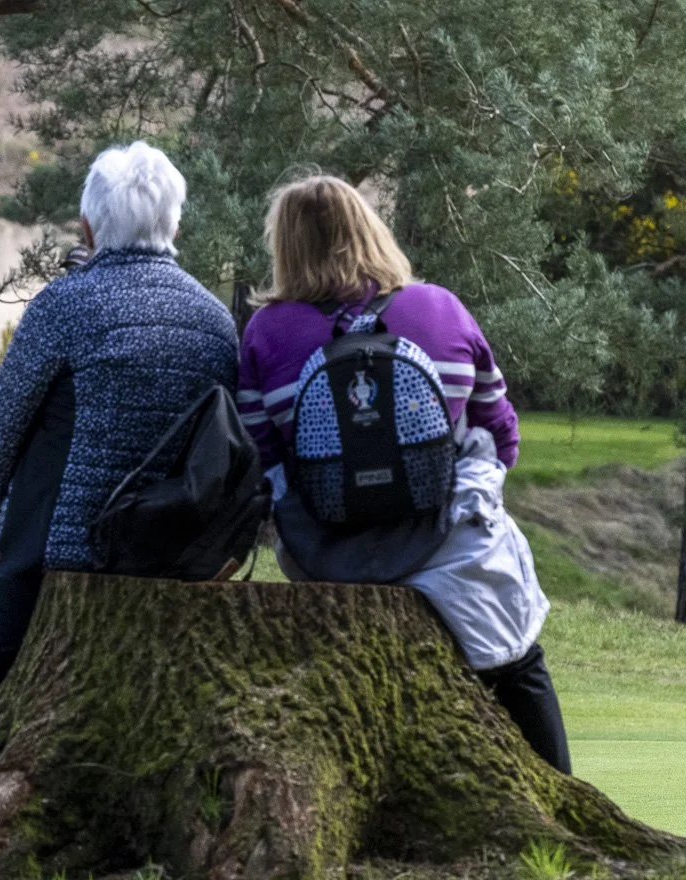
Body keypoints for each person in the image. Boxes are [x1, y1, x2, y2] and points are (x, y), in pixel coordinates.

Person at [236, 175, 569, 772]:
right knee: (520, 663)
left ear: (285, 244)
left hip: (327, 557)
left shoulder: (267, 332)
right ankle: (560, 788)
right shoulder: (438, 307)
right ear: (370, 228)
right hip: (452, 552)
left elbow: (261, 456)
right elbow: (501, 433)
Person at [0, 142, 238, 760]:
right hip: (171, 557)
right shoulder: (215, 320)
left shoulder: (66, 304)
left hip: (53, 551)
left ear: (88, 226)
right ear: (175, 223)